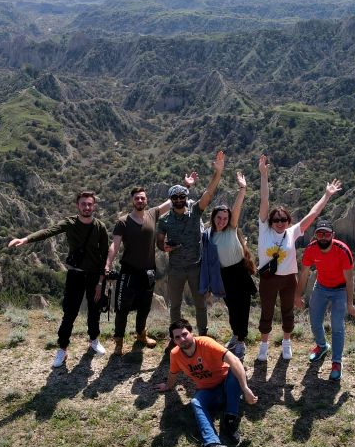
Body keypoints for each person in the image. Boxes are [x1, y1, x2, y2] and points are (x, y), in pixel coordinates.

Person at [8, 191, 110, 368]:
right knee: (69, 313)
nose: (87, 207)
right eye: (83, 204)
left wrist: (101, 283)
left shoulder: (100, 227)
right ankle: (62, 349)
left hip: (94, 276)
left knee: (94, 311)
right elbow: (48, 232)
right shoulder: (70, 223)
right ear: (77, 205)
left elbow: (104, 256)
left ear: (94, 206)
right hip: (75, 275)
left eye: (90, 204)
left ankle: (94, 340)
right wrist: (26, 239)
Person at [256, 154, 341, 362]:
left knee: (287, 311)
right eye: (276, 219)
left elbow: (312, 214)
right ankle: (264, 346)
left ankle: (286, 343)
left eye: (284, 219)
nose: (280, 222)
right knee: (266, 312)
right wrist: (264, 175)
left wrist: (327, 196)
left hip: (288, 279)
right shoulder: (263, 229)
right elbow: (264, 199)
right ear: (270, 221)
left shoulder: (292, 232)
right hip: (267, 278)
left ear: (288, 220)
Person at [105, 175, 195, 355]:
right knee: (122, 308)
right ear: (132, 201)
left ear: (147, 200)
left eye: (143, 198)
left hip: (148, 271)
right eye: (137, 198)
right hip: (128, 271)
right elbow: (114, 245)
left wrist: (186, 186)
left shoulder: (152, 214)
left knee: (145, 306)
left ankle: (141, 334)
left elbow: (172, 202)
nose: (140, 200)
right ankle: (119, 341)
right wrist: (107, 264)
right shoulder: (123, 221)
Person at [155, 318, 258, 447]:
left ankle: (229, 420)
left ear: (191, 333)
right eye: (177, 337)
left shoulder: (206, 343)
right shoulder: (175, 354)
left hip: (228, 387)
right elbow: (173, 373)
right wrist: (168, 386)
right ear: (173, 340)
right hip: (208, 391)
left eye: (184, 334)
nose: (182, 339)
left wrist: (245, 388)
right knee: (196, 401)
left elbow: (234, 360)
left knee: (234, 371)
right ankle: (212, 444)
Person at [157, 151, 224, 338]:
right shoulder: (165, 219)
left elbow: (208, 194)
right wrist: (164, 247)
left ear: (186, 197)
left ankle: (202, 334)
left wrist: (217, 173)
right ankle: (176, 336)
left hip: (195, 267)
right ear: (171, 200)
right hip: (176, 268)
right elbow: (159, 239)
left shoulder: (195, 211)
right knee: (175, 305)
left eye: (181, 196)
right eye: (175, 197)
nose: (178, 200)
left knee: (199, 304)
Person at [199, 170, 256, 360]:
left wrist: (242, 188)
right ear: (213, 218)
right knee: (232, 307)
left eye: (225, 218)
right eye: (219, 218)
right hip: (223, 276)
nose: (222, 221)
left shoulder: (231, 229)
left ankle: (241, 341)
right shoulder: (208, 235)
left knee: (243, 308)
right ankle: (235, 335)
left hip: (239, 272)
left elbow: (237, 208)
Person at [294, 220, 355, 380]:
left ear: (332, 235)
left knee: (337, 325)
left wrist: (350, 303)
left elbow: (349, 279)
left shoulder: (343, 250)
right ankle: (322, 346)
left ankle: (336, 362)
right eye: (319, 234)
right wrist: (297, 295)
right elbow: (304, 274)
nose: (323, 237)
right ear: (315, 235)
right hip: (321, 286)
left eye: (326, 234)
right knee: (315, 322)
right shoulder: (311, 249)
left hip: (340, 290)